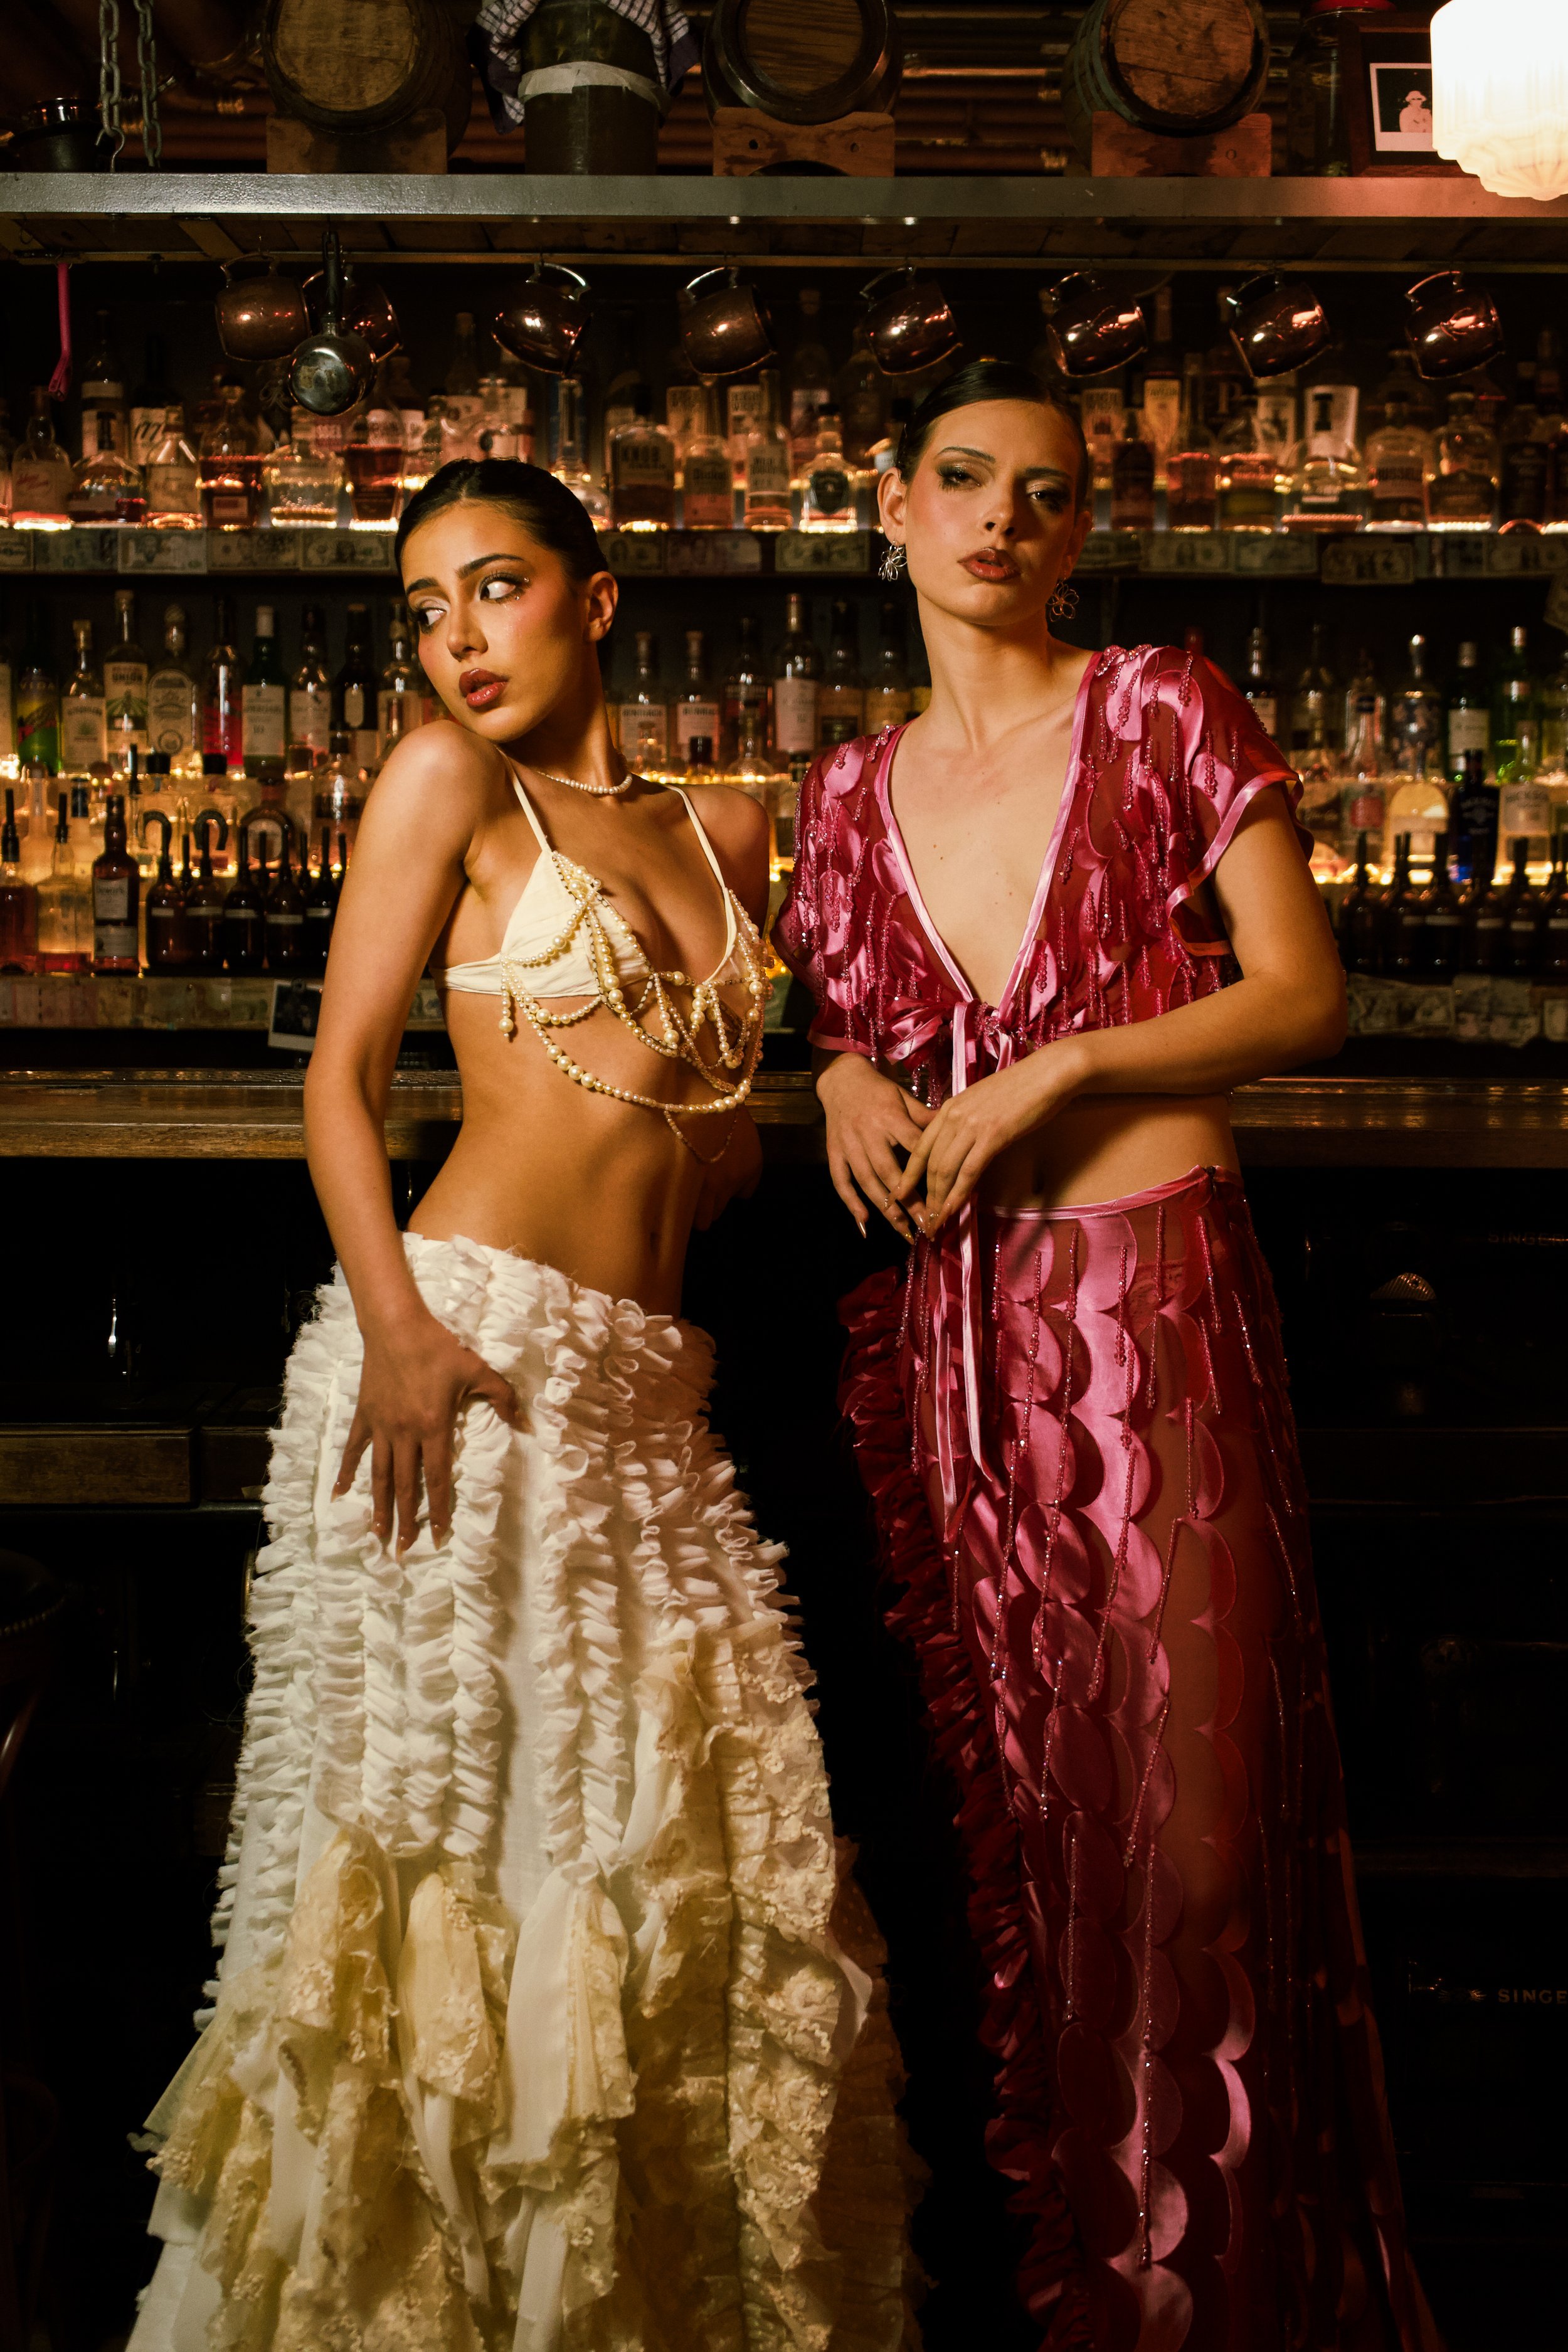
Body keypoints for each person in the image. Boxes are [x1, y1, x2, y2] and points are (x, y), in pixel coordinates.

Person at [128, 460, 919, 2351]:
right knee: (442, 1852)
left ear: (600, 596)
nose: (456, 639)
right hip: (459, 1358)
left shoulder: (728, 831)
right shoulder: (443, 785)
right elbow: (332, 1084)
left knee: (693, 1868)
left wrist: (826, 1078)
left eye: (493, 589)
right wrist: (396, 1327)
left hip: (650, 1397)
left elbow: (727, 1084)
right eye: (422, 607)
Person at [775, 362, 1440, 2352]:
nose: (1004, 519)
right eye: (963, 481)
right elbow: (819, 1012)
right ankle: (1089, 2306)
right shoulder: (837, 793)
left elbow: (1303, 996)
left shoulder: (1158, 707)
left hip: (1148, 1324)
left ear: (1085, 527)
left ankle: (1213, 2309)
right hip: (955, 1349)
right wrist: (825, 1072)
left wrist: (1065, 1059)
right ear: (882, 504)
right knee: (1038, 1865)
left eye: (1048, 493)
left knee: (1196, 1856)